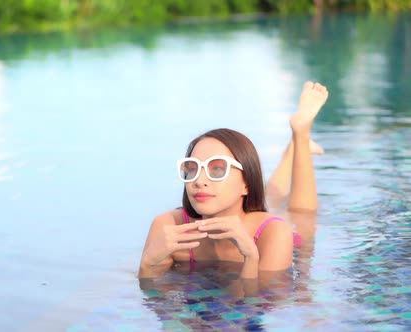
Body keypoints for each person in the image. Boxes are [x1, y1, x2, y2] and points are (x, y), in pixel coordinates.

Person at [138, 81, 329, 284]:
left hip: (267, 227)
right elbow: (154, 297)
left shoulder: (274, 232)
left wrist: (251, 256)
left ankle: (301, 134)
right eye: (192, 168)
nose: (200, 180)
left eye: (218, 168)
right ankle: (291, 152)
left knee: (302, 215)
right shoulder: (169, 226)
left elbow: (260, 301)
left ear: (247, 183)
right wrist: (147, 264)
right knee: (270, 199)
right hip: (247, 208)